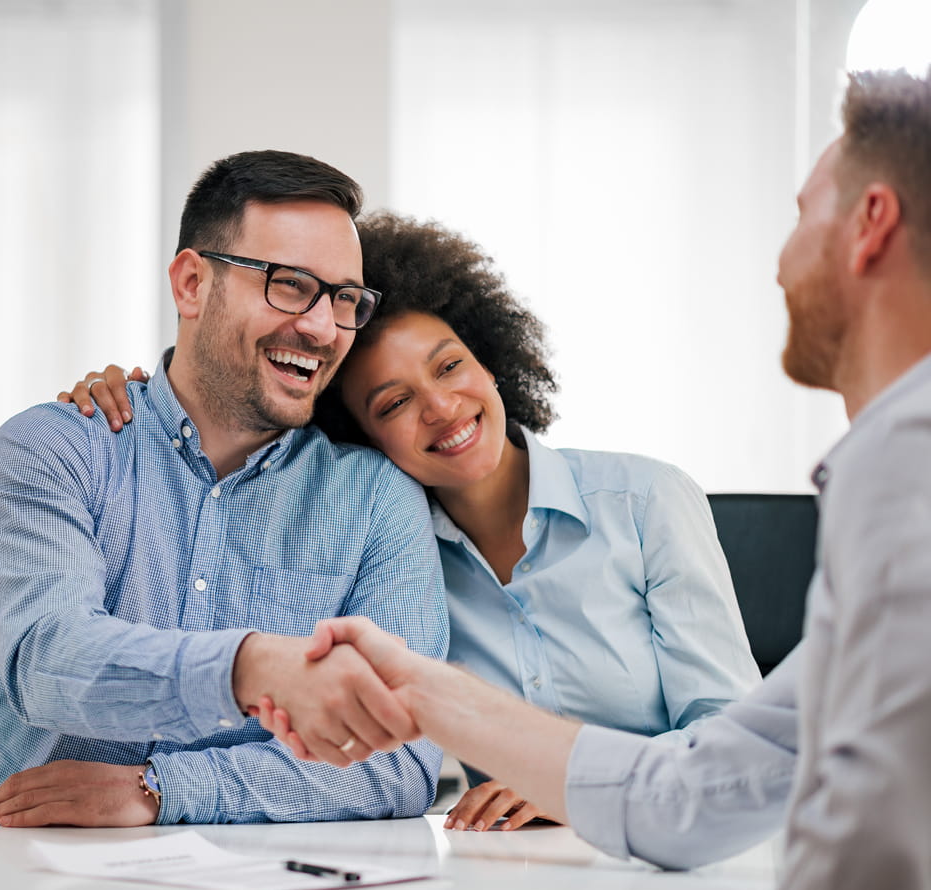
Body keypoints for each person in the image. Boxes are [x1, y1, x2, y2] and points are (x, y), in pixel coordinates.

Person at [263, 68, 931, 890]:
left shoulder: (898, 464)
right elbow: (711, 782)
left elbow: (868, 843)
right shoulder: (388, 555)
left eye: (801, 214)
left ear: (871, 224)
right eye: (390, 404)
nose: (774, 261)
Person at [63, 218, 760, 831]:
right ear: (363, 437)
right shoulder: (392, 554)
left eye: (451, 365)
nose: (442, 407)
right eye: (394, 402)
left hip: (687, 848)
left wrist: (577, 785)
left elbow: (738, 740)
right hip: (519, 877)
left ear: (492, 358)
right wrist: (136, 409)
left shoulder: (646, 502)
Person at [0, 149, 450, 828]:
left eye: (345, 299)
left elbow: (398, 761)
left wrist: (162, 790)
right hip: (14, 866)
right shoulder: (53, 448)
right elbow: (48, 663)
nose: (324, 327)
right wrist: (252, 667)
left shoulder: (377, 501)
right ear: (191, 284)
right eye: (290, 284)